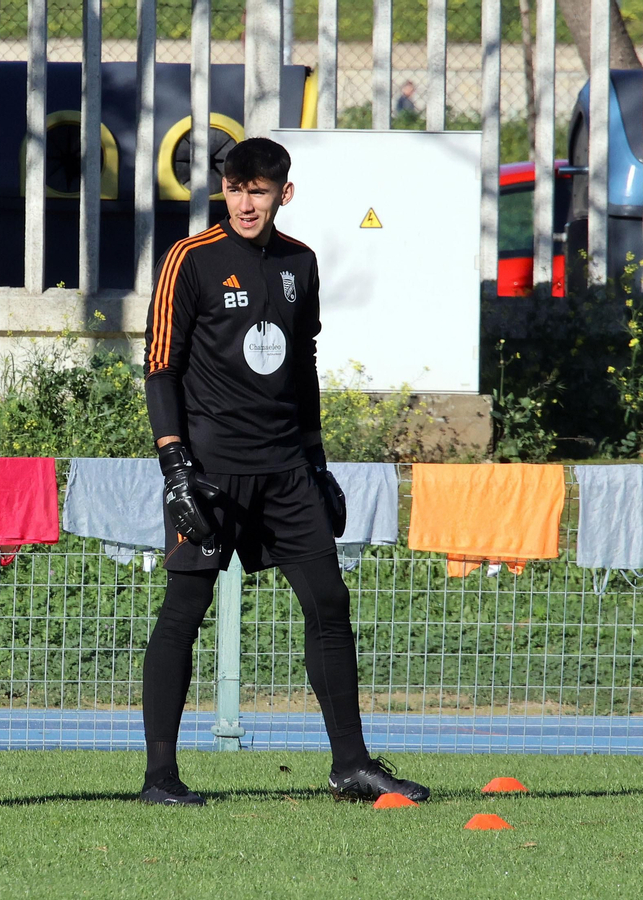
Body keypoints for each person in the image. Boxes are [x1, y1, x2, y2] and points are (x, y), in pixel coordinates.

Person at [138, 137, 430, 807]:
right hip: (210, 472)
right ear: (223, 191)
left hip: (287, 471)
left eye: (259, 190)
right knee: (184, 609)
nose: (246, 202)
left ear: (282, 194)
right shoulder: (190, 259)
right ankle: (160, 777)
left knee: (329, 603)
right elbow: (161, 367)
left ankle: (352, 766)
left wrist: (318, 462)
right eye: (235, 189)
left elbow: (303, 368)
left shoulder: (302, 261)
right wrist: (175, 465)